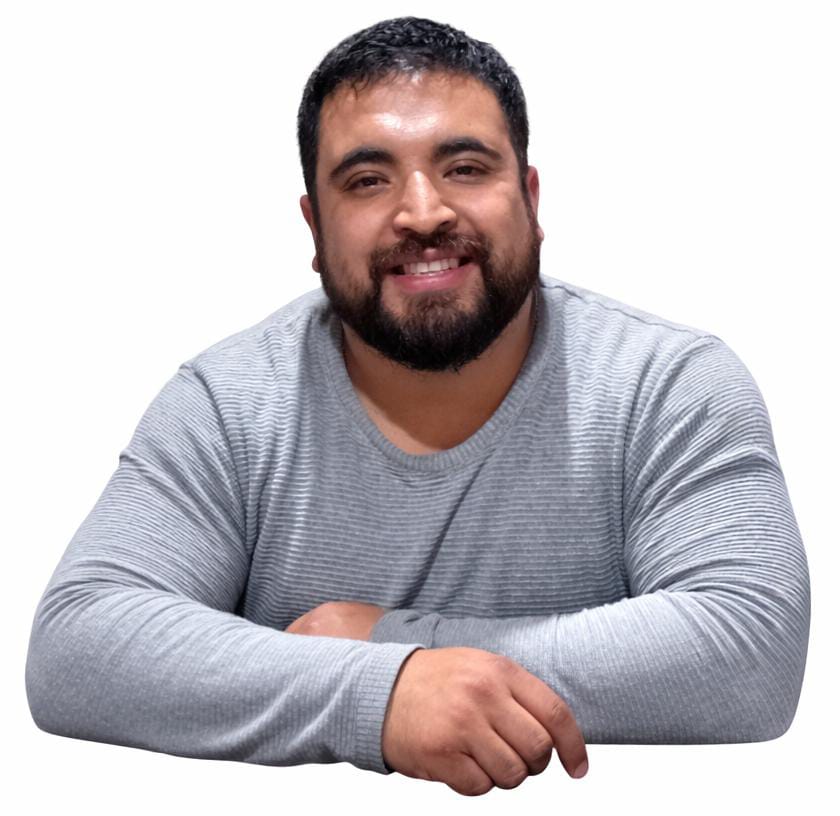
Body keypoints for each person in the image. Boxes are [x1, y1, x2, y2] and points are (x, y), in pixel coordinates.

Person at [25, 16, 810, 797]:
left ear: (531, 199)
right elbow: (79, 645)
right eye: (368, 181)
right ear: (315, 227)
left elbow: (750, 647)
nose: (424, 212)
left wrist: (395, 642)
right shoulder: (228, 404)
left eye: (465, 168)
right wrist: (385, 694)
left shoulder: (667, 384)